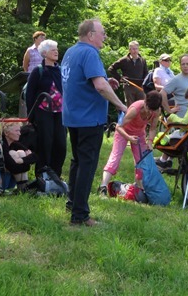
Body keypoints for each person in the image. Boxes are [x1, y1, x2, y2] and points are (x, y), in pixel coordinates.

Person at [61, 18, 127, 226]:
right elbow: (99, 86)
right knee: (86, 165)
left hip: (73, 116)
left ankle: (73, 202)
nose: (105, 36)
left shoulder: (71, 52)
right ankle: (80, 216)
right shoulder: (90, 53)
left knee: (77, 162)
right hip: (89, 118)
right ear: (91, 34)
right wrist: (121, 105)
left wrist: (107, 82)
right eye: (102, 32)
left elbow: (85, 81)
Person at [98, 91, 162, 195]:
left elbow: (153, 129)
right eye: (148, 109)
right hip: (123, 132)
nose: (150, 113)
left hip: (139, 134)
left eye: (153, 110)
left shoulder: (156, 110)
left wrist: (150, 142)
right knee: (115, 158)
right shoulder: (135, 109)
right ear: (145, 103)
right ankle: (103, 187)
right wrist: (129, 137)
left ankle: (140, 189)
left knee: (141, 162)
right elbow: (118, 127)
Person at [24, 39, 67, 178]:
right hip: (43, 112)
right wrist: (31, 116)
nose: (56, 52)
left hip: (60, 113)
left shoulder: (60, 70)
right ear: (44, 53)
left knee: (60, 144)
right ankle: (42, 175)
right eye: (53, 50)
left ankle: (56, 175)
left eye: (57, 49)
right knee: (45, 142)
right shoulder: (38, 71)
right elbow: (29, 94)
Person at [156, 54, 188, 169]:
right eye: (183, 64)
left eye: (187, 64)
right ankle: (166, 160)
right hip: (182, 116)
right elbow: (162, 93)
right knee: (178, 137)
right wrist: (168, 110)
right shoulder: (176, 79)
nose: (185, 66)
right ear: (180, 66)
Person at [0, 121, 37, 191]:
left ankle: (23, 187)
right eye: (17, 131)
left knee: (21, 153)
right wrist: (27, 164)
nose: (19, 133)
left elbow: (35, 156)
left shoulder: (13, 144)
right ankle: (23, 187)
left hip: (7, 180)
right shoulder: (0, 145)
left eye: (19, 131)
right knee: (13, 153)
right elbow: (13, 168)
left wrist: (20, 160)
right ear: (6, 133)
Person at [108, 40, 149, 106]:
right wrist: (120, 78)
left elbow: (146, 73)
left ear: (138, 49)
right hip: (128, 86)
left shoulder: (142, 60)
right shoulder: (124, 60)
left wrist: (145, 84)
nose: (134, 51)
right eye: (133, 49)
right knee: (130, 106)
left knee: (142, 106)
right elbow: (111, 68)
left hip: (140, 87)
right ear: (129, 50)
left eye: (136, 49)